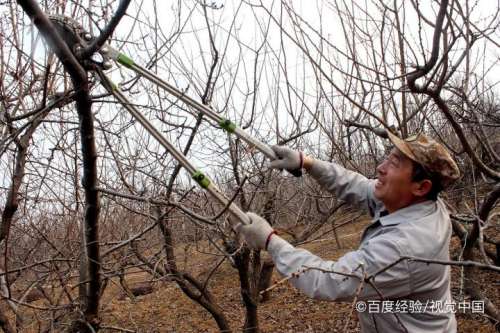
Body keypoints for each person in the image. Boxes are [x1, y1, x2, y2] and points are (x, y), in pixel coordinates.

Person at [236, 132, 460, 332]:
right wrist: (307, 163)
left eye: (395, 163)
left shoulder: (407, 247)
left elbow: (330, 280)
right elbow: (357, 186)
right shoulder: (418, 202)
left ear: (421, 186)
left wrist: (270, 241)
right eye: (388, 157)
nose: (381, 168)